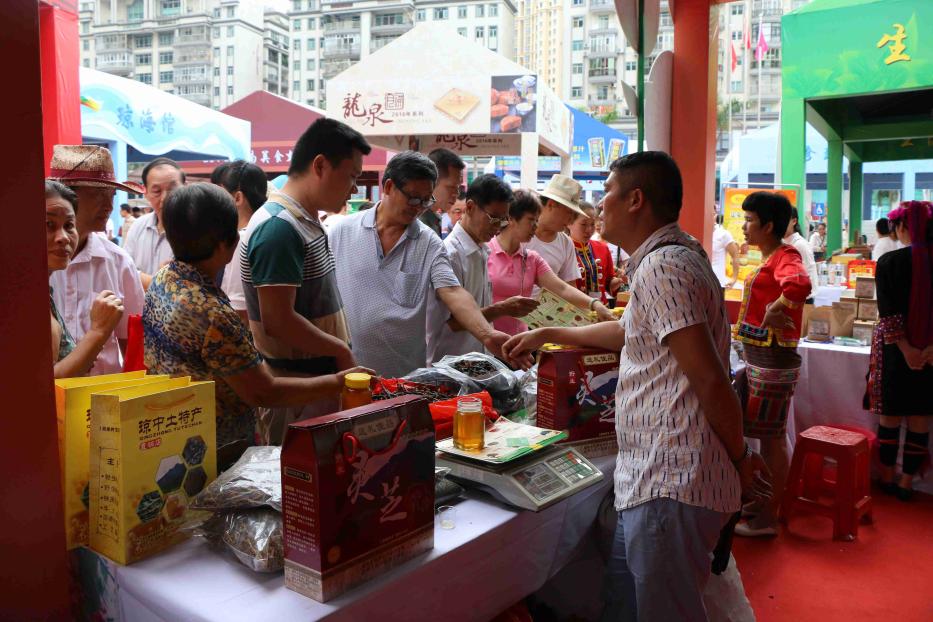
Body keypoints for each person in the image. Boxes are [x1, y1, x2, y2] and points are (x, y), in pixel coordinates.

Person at [503, 152, 770, 621]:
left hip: (674, 479)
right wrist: (549, 333)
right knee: (626, 605)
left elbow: (709, 378)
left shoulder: (663, 266)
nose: (596, 206)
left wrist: (742, 458)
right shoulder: (668, 258)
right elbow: (628, 331)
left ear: (636, 200)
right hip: (649, 477)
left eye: (605, 191)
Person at [144, 184, 372, 468]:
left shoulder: (163, 278)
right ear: (225, 244)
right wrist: (341, 381)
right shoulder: (212, 313)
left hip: (170, 434)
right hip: (213, 453)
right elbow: (265, 392)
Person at [330, 151, 522, 377]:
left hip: (401, 378)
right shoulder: (341, 232)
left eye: (426, 200)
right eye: (413, 198)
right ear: (389, 187)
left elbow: (453, 291)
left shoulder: (429, 243)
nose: (418, 207)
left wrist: (486, 334)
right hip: (346, 372)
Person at [241, 118, 370, 444]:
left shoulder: (304, 220)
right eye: (352, 176)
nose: (354, 188)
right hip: (298, 395)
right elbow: (278, 320)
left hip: (316, 387)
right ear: (320, 165)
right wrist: (340, 350)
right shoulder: (279, 227)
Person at [732, 192, 812, 537]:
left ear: (768, 225)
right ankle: (762, 501)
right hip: (761, 356)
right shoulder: (772, 256)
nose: (744, 227)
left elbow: (799, 284)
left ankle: (768, 516)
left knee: (772, 438)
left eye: (750, 220)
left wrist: (778, 306)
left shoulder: (786, 254)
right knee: (763, 435)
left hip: (773, 357)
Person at [48, 145, 145, 375]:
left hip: (105, 400)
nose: (109, 206)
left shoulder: (119, 262)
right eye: (99, 194)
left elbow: (132, 342)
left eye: (112, 196)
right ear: (68, 194)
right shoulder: (28, 267)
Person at [426, 174, 538, 364]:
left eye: (503, 221)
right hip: (449, 365)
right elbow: (451, 323)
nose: (497, 228)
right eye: (493, 218)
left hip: (477, 363)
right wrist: (502, 309)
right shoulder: (450, 255)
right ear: (470, 207)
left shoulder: (481, 250)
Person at [871, 201, 933, 501]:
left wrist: (907, 349)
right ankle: (908, 482)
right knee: (921, 417)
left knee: (890, 417)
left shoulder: (889, 262)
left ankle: (886, 477)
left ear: (904, 227)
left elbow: (889, 315)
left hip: (896, 351)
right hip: (930, 354)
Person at [488, 190, 614, 336]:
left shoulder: (532, 259)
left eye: (537, 220)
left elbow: (562, 288)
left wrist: (595, 304)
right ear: (511, 218)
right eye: (531, 220)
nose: (535, 226)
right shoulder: (485, 253)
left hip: (522, 341)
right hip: (487, 343)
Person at [46, 180, 124, 378]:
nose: (63, 237)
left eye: (69, 225)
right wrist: (98, 331)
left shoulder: (120, 259)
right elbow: (46, 385)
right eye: (49, 225)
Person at [213, 160, 267, 323]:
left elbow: (239, 310)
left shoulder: (242, 239)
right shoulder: (263, 229)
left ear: (237, 198)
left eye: (221, 194)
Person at [123, 157, 186, 288]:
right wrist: (158, 283)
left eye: (172, 189)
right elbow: (123, 270)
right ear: (145, 193)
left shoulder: (197, 229)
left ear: (185, 188)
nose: (165, 198)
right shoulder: (138, 226)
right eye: (157, 191)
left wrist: (140, 278)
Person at [526, 174, 584, 285]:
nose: (571, 220)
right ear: (551, 205)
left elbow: (569, 286)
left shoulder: (566, 243)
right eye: (569, 212)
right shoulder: (520, 232)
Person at [568, 201, 622, 304]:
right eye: (583, 224)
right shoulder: (563, 249)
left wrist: (618, 282)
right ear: (569, 223)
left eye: (592, 224)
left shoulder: (602, 248)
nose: (589, 230)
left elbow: (608, 283)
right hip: (574, 312)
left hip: (601, 310)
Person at [419, 148, 464, 237]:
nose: (456, 193)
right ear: (431, 183)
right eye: (451, 187)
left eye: (458, 187)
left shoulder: (435, 219)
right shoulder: (417, 223)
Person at [783, 210, 820, 292]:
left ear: (794, 221)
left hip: (803, 299)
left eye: (783, 219)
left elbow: (809, 276)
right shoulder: (782, 243)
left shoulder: (800, 245)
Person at [712, 209, 741, 289]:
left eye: (713, 212)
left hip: (718, 283)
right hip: (699, 282)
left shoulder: (723, 234)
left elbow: (735, 255)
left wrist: (734, 278)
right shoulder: (698, 232)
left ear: (715, 214)